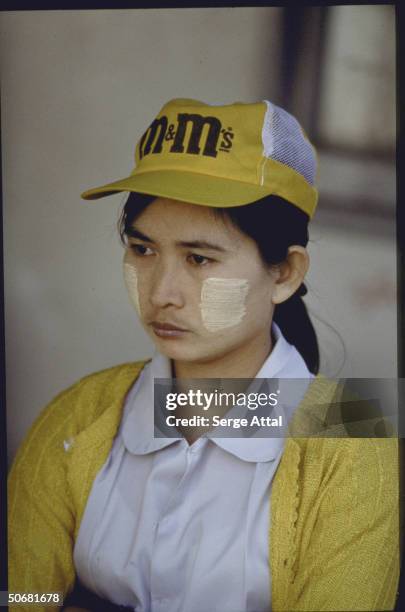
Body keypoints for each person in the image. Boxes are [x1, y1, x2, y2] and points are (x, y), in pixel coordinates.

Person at [8, 98, 399, 612]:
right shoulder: (78, 414)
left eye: (199, 258)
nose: (162, 292)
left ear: (285, 273)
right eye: (143, 250)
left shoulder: (354, 436)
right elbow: (21, 595)